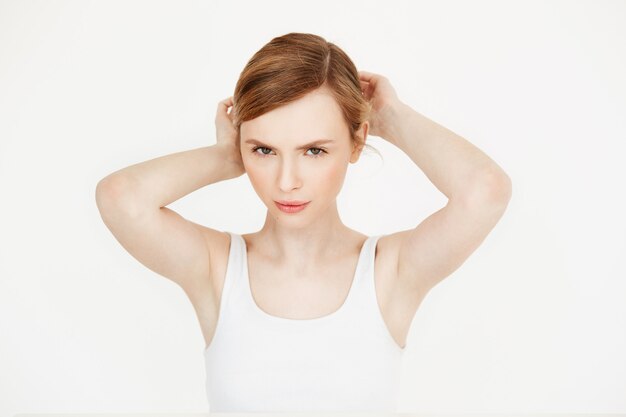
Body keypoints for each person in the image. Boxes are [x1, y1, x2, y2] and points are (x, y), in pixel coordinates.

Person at [95, 32, 512, 412]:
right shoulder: (217, 268)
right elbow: (122, 198)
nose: (287, 181)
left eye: (313, 151)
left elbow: (485, 191)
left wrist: (394, 119)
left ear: (357, 141)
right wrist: (226, 156)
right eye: (264, 150)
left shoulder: (390, 272)